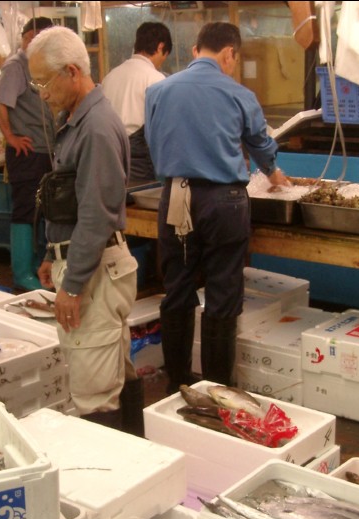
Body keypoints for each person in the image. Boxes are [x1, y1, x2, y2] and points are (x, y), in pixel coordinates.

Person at [144, 22, 290, 393]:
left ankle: (177, 385)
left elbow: (153, 139)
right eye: (234, 60)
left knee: (177, 287)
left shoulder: (157, 91)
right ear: (229, 54)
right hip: (224, 202)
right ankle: (216, 390)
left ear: (196, 50)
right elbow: (260, 143)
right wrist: (274, 173)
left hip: (175, 195)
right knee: (223, 293)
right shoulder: (239, 94)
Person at [26, 26, 144, 435]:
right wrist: (49, 253)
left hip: (93, 273)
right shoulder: (76, 119)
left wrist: (72, 285)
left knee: (95, 395)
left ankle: (115, 485)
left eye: (44, 81)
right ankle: (138, 464)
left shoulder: (95, 127)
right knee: (113, 371)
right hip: (86, 261)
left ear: (72, 71)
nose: (41, 92)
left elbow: (95, 214)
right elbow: (69, 201)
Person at [0, 17, 56, 291]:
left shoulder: (38, 66)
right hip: (26, 152)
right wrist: (11, 137)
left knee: (41, 211)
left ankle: (36, 267)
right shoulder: (16, 66)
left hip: (44, 151)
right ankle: (21, 273)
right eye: (35, 38)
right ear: (26, 38)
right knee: (25, 211)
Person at [101, 21, 172, 182]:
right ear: (161, 47)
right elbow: (162, 131)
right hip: (138, 159)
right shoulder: (156, 79)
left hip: (109, 154)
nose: (162, 62)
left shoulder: (110, 76)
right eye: (165, 55)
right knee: (139, 202)